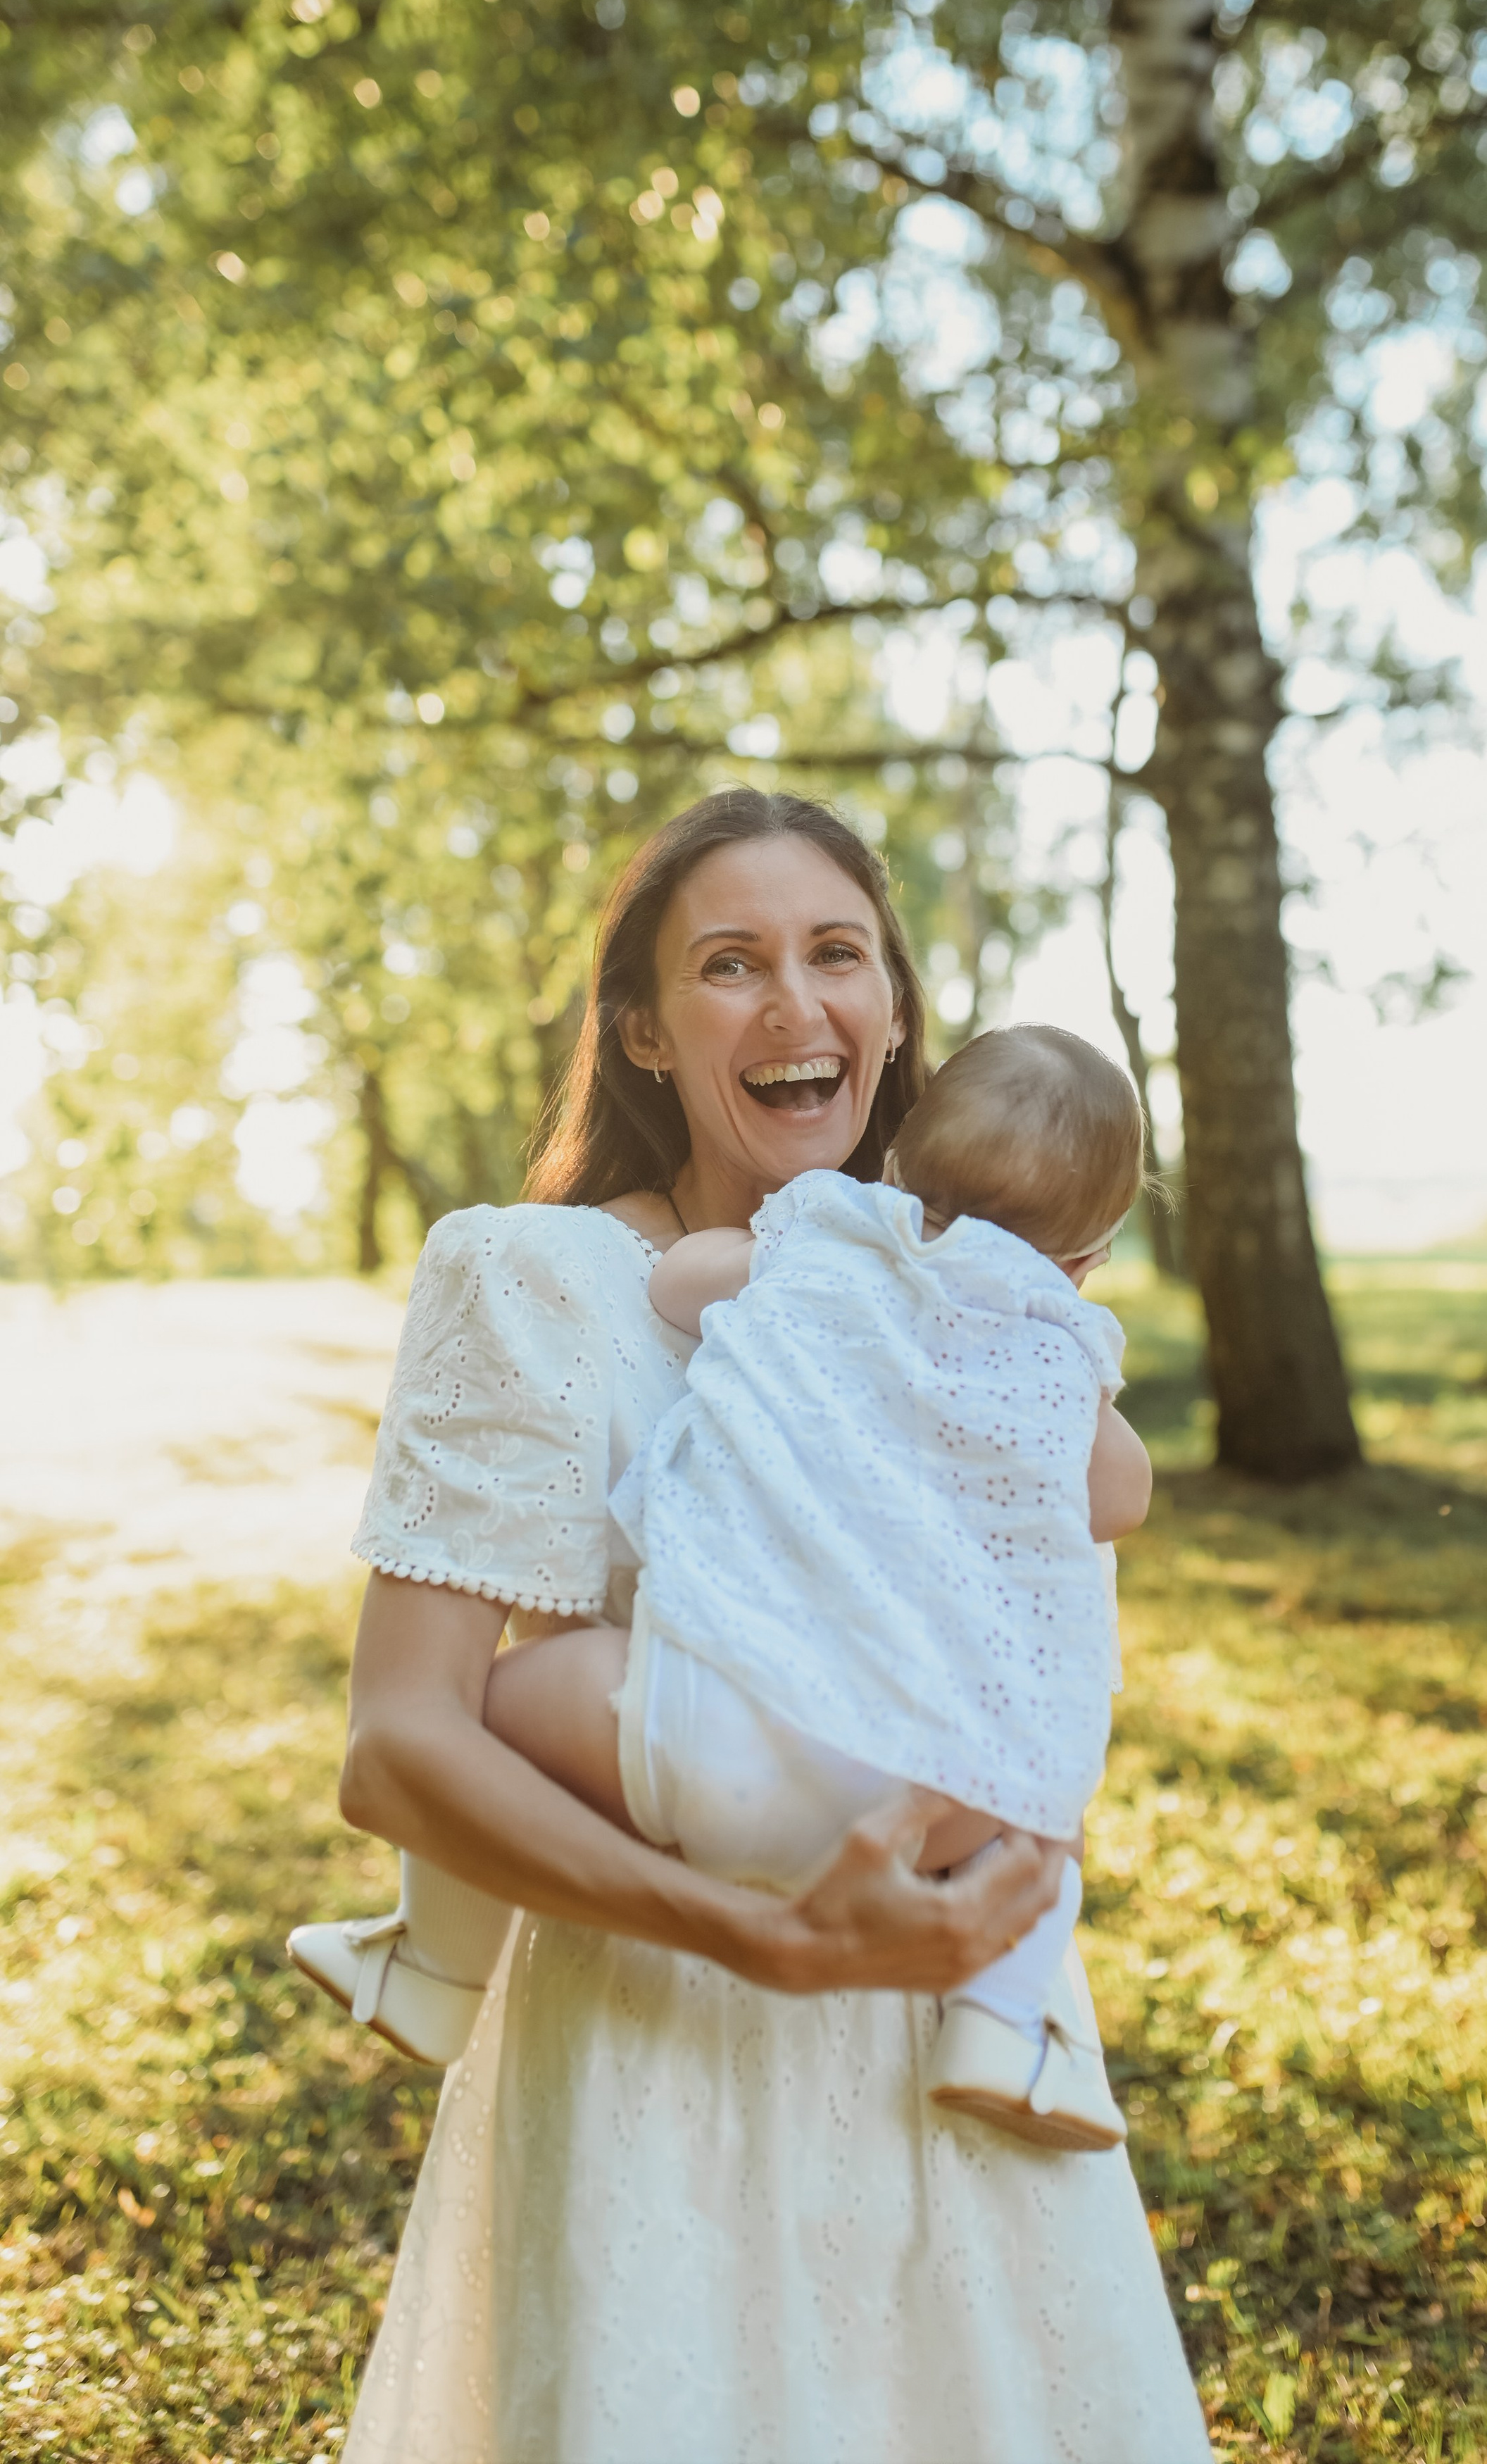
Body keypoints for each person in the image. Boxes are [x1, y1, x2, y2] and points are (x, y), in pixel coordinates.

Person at [330, 789, 1212, 2464]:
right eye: (729, 964)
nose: (795, 1002)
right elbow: (398, 1746)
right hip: (661, 2051)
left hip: (954, 2043)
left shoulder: (991, 1292)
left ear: (894, 1009)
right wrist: (765, 1940)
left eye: (837, 954)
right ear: (646, 1030)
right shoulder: (539, 1280)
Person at [294, 1025, 1154, 2151]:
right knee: (1043, 1778)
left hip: (709, 1730)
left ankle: (434, 1967)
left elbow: (678, 1283)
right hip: (930, 1805)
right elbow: (1121, 1493)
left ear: (897, 1167)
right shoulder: (1059, 1351)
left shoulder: (830, 1238)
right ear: (1088, 1260)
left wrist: (802, 1260)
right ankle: (1003, 2028)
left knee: (494, 1710)